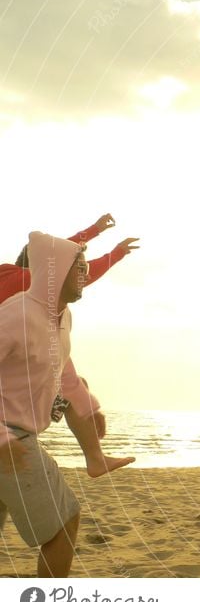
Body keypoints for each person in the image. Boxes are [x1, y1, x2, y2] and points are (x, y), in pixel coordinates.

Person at [0, 214, 138, 478]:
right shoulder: (25, 284)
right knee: (75, 389)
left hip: (22, 358)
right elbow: (68, 253)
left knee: (74, 384)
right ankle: (95, 459)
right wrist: (110, 246)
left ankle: (94, 457)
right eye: (72, 266)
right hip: (13, 374)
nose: (79, 272)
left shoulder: (25, 294)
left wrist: (99, 235)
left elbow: (69, 254)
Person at [0, 232, 103, 576]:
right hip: (11, 436)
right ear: (55, 271)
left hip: (18, 434)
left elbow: (59, 374)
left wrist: (83, 405)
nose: (86, 274)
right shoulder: (16, 315)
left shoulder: (62, 318)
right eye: (80, 268)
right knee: (63, 525)